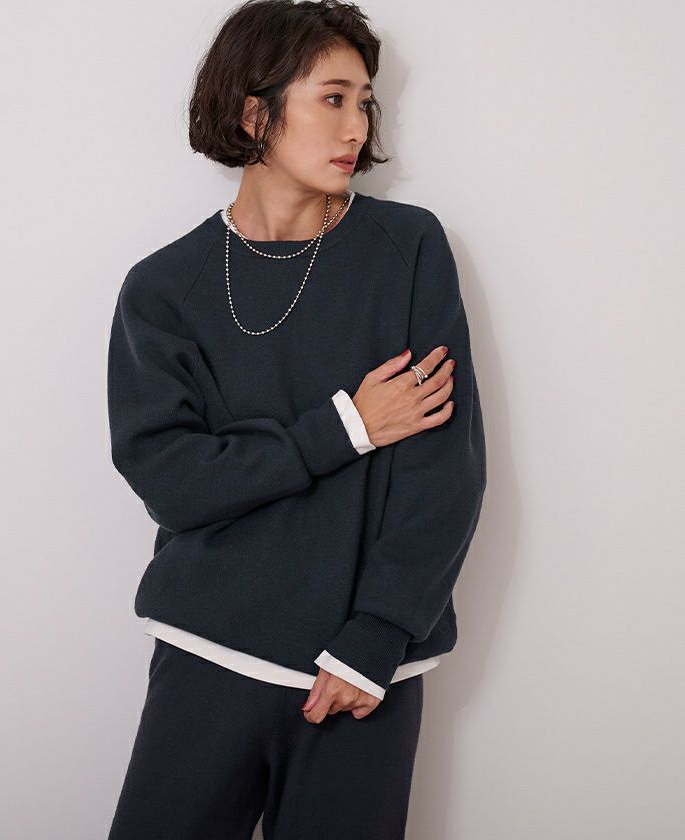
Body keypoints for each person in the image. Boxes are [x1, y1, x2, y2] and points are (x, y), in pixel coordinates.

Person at [105, 1, 486, 837]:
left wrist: (377, 636)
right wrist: (347, 426)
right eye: (333, 98)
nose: (358, 126)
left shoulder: (407, 249)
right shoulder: (164, 289)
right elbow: (175, 483)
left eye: (365, 102)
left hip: (364, 671)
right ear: (254, 113)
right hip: (209, 652)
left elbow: (444, 468)